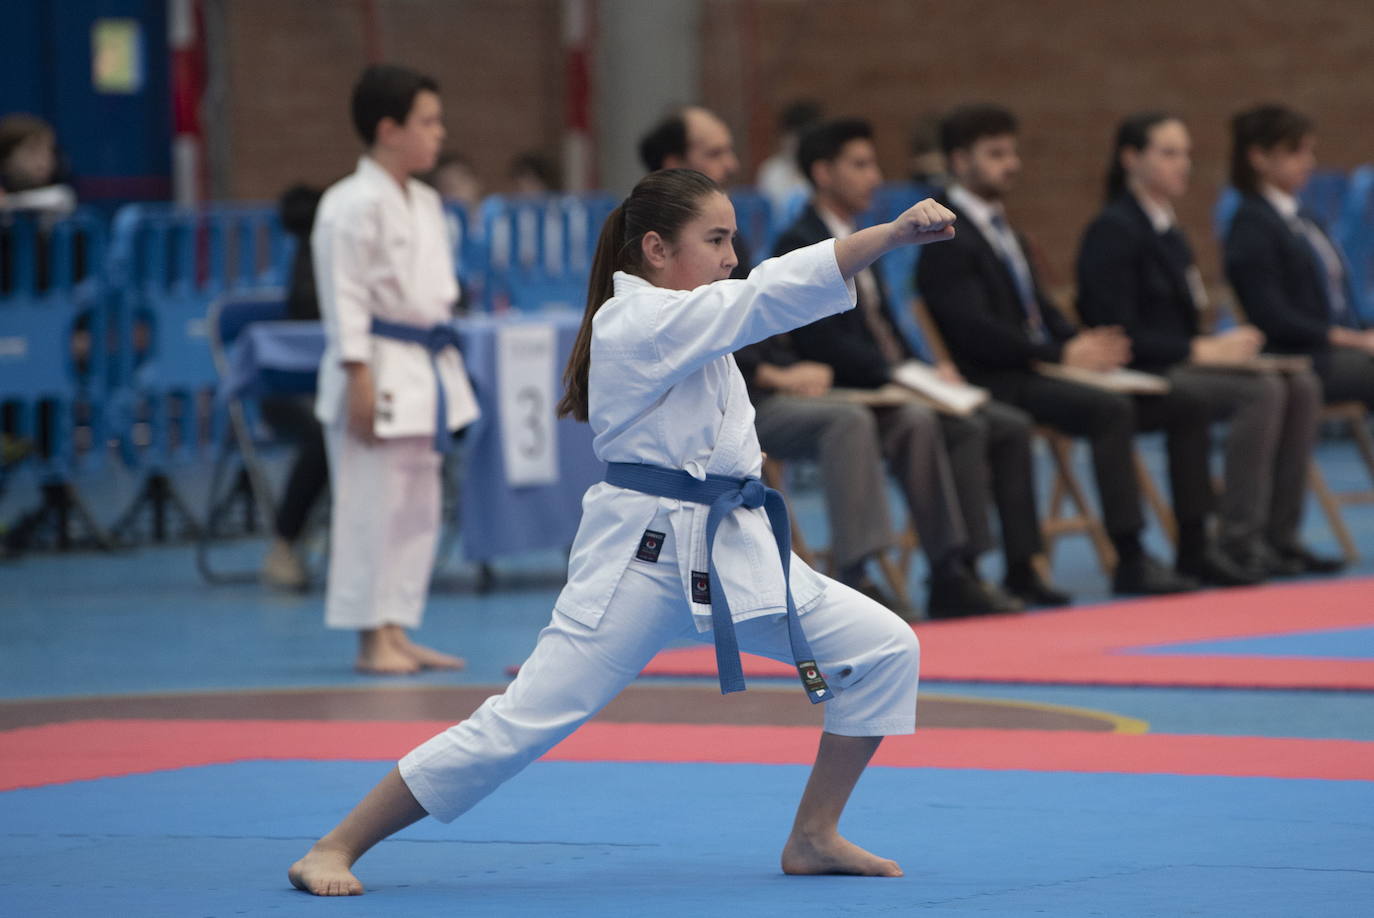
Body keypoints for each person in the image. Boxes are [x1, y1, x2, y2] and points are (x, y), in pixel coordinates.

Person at [287, 168, 953, 895]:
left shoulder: (685, 310)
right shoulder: (635, 322)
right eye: (717, 239)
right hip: (644, 557)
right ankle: (334, 844)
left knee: (885, 648)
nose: (732, 255)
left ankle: (814, 835)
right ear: (657, 249)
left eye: (733, 238)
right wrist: (885, 237)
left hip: (731, 547)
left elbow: (749, 302)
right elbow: (764, 295)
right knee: (524, 721)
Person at [917, 104, 1254, 594]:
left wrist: (1078, 343)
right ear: (958, 160)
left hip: (1036, 368)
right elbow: (974, 331)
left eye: (1012, 152)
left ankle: (1197, 545)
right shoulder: (942, 231)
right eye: (995, 154)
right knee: (1109, 408)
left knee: (1185, 403)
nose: (1010, 164)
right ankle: (1130, 555)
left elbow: (1042, 310)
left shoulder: (1003, 226)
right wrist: (1059, 356)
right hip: (992, 375)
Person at [776, 118, 1063, 611]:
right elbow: (820, 341)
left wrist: (921, 372)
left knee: (992, 423)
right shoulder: (800, 241)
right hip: (843, 387)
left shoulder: (861, 235)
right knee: (923, 420)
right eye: (861, 165)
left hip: (885, 381)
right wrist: (896, 377)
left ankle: (962, 570)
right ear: (822, 173)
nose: (874, 176)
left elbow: (884, 330)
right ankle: (891, 572)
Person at [1077, 112, 1339, 577]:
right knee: (1260, 391)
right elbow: (1116, 332)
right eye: (1169, 153)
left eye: (1187, 154)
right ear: (1131, 158)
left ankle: (1280, 536)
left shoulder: (1169, 230)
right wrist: (1200, 351)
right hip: (1141, 369)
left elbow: (1182, 321)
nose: (1183, 165)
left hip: (1178, 357)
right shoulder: (1113, 230)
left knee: (1300, 383)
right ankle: (1239, 538)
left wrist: (1216, 344)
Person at [311, 64, 479, 674]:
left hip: (426, 367)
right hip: (376, 366)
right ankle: (368, 638)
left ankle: (397, 627)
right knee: (369, 508)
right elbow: (344, 295)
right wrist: (357, 372)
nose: (439, 134)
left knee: (416, 509)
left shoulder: (428, 202)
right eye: (427, 122)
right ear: (388, 129)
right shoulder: (348, 205)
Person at [1224, 104, 1374, 413]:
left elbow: (1339, 296)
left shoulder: (1305, 217)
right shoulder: (1251, 224)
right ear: (1258, 157)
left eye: (1309, 150)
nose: (1309, 162)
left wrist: (1363, 333)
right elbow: (1273, 317)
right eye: (1295, 151)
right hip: (1300, 354)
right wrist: (1351, 340)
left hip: (1338, 347)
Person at [260, 184, 331, 590]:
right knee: (326, 435)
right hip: (292, 390)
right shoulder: (309, 258)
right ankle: (284, 542)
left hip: (339, 385)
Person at [756, 99, 823, 216]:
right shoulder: (771, 171)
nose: (795, 145)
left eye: (801, 138)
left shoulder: (822, 171)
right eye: (790, 137)